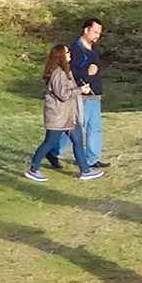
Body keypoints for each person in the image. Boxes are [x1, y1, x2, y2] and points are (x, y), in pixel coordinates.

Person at [24, 43, 101, 181]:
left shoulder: (66, 71)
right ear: (60, 56)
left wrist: (81, 88)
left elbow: (69, 90)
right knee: (49, 143)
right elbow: (63, 95)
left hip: (69, 116)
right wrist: (80, 90)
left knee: (78, 141)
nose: (70, 54)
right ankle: (33, 169)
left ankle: (85, 170)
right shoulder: (58, 73)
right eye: (67, 52)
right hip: (58, 117)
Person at [69, 18, 108, 171]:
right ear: (86, 30)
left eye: (99, 33)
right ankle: (54, 151)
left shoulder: (93, 49)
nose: (97, 36)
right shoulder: (76, 49)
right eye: (95, 32)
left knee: (95, 128)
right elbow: (73, 73)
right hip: (82, 94)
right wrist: (87, 73)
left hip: (94, 93)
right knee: (78, 127)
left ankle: (92, 158)